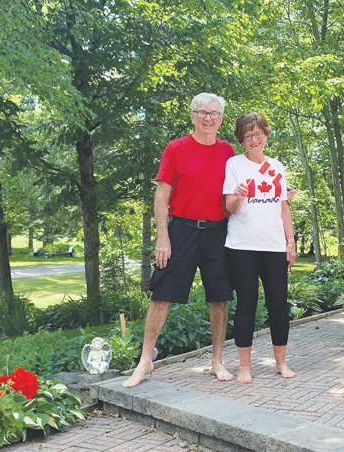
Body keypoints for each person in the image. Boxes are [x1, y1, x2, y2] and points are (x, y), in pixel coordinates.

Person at [123, 93, 236, 387]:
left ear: (221, 119)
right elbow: (161, 194)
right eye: (202, 113)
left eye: (214, 113)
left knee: (219, 297)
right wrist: (163, 237)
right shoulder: (176, 149)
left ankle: (217, 360)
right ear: (192, 116)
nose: (208, 118)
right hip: (181, 230)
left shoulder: (228, 152)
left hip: (218, 232)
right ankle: (145, 360)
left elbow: (242, 189)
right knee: (162, 293)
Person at [223, 112, 297, 384]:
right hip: (242, 246)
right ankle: (244, 367)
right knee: (247, 304)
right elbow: (229, 207)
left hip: (274, 246)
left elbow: (283, 207)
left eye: (257, 134)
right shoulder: (234, 165)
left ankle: (281, 362)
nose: (253, 139)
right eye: (247, 136)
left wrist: (290, 242)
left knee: (278, 304)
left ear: (265, 134)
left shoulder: (276, 166)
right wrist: (239, 196)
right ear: (242, 140)